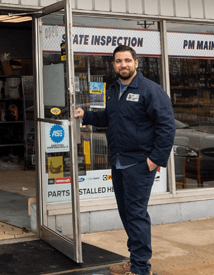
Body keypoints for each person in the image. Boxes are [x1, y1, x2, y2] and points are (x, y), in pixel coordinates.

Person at [74, 45, 175, 275]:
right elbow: (110, 117)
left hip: (139, 163)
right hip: (119, 161)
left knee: (136, 214)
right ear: (114, 65)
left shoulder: (150, 90)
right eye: (119, 61)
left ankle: (140, 268)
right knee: (126, 213)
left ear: (136, 63)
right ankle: (135, 260)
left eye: (127, 60)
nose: (123, 65)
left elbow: (167, 126)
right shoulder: (113, 89)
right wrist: (86, 115)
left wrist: (155, 160)